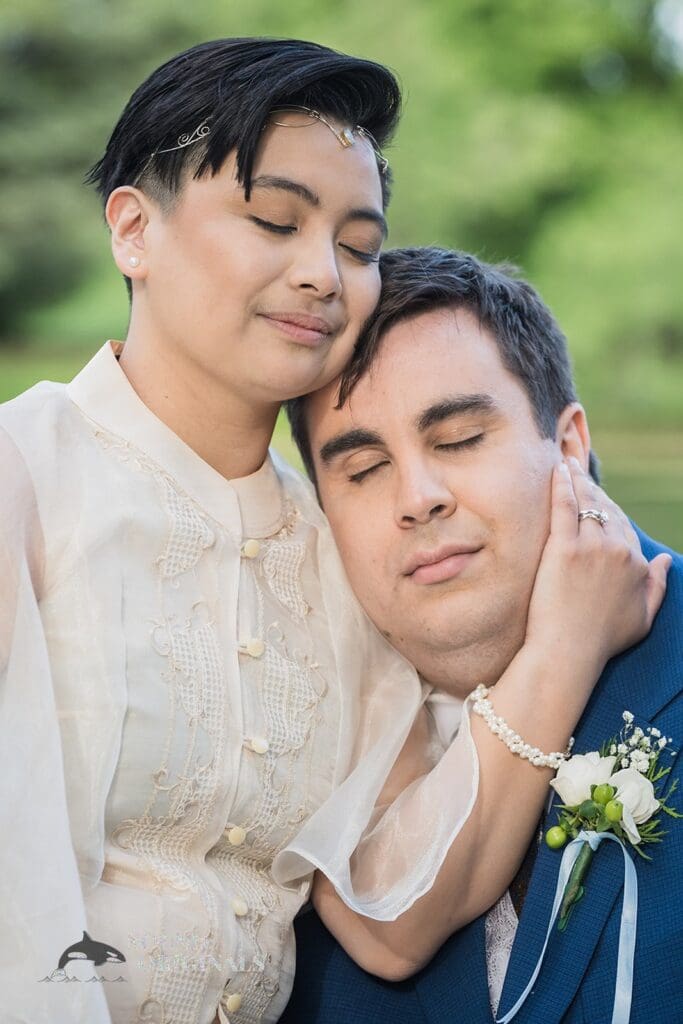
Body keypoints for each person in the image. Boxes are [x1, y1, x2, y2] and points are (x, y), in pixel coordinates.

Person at [0, 39, 667, 1024]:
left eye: (356, 244)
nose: (321, 273)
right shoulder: (25, 474)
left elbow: (388, 913)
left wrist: (565, 642)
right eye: (275, 220)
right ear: (134, 231)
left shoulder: (340, 546)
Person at [283, 246, 683, 1024]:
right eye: (362, 469)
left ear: (567, 446)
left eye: (459, 438)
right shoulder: (283, 762)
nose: (417, 497)